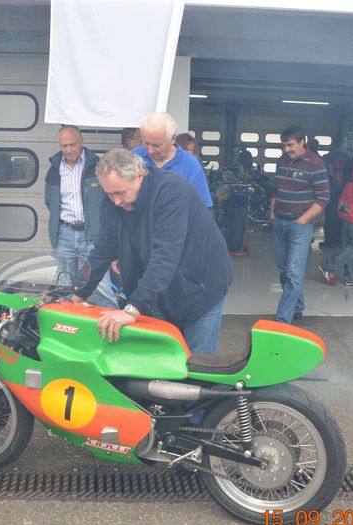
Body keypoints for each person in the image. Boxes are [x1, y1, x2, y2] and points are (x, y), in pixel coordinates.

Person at [74, 149, 233, 355]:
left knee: (197, 366)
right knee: (159, 364)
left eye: (120, 193)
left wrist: (133, 308)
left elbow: (165, 255)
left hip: (200, 286)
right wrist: (77, 292)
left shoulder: (171, 192)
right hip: (159, 291)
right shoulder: (113, 203)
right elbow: (103, 249)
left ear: (139, 175)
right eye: (109, 193)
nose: (115, 201)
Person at [45, 126, 116, 308]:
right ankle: (69, 331)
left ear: (81, 142)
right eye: (64, 146)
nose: (68, 150)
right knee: (65, 287)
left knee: (102, 287)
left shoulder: (98, 167)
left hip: (92, 235)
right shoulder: (54, 170)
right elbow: (49, 201)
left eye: (72, 144)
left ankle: (114, 329)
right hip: (64, 234)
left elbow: (110, 201)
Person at [271, 125, 330, 324]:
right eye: (283, 145)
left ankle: (282, 321)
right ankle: (297, 306)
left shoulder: (315, 163)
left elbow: (323, 198)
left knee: (294, 273)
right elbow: (276, 188)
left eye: (290, 145)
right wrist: (272, 212)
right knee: (284, 270)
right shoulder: (282, 160)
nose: (286, 149)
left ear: (302, 142)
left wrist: (302, 220)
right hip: (279, 221)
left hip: (299, 226)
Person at [318, 140, 353, 287]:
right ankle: (328, 266)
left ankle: (350, 277)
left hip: (347, 207)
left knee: (350, 243)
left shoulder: (349, 164)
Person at [132, 112, 213, 208]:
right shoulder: (133, 158)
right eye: (145, 143)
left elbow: (202, 209)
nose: (150, 150)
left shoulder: (191, 165)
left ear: (173, 138)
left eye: (156, 145)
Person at [320, 138, 348, 248]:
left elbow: (322, 175)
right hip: (344, 193)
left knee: (330, 217)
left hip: (330, 192)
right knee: (341, 216)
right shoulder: (347, 158)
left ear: (331, 146)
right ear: (341, 145)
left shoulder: (326, 158)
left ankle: (329, 241)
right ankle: (338, 240)